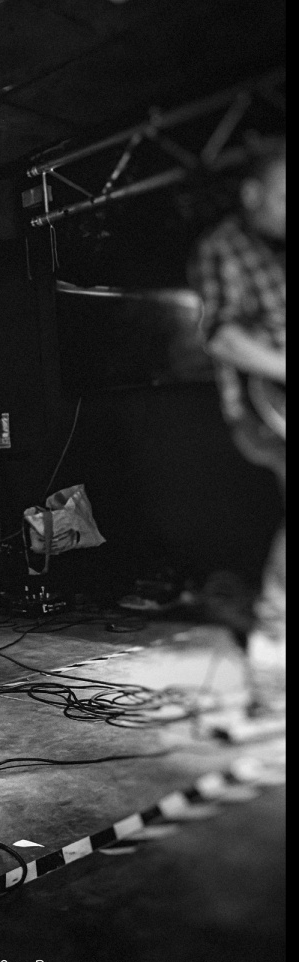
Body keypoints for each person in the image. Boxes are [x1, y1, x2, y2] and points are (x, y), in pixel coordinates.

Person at [188, 138, 285, 713]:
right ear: (252, 194)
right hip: (260, 408)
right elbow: (222, 335)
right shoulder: (223, 247)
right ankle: (273, 652)